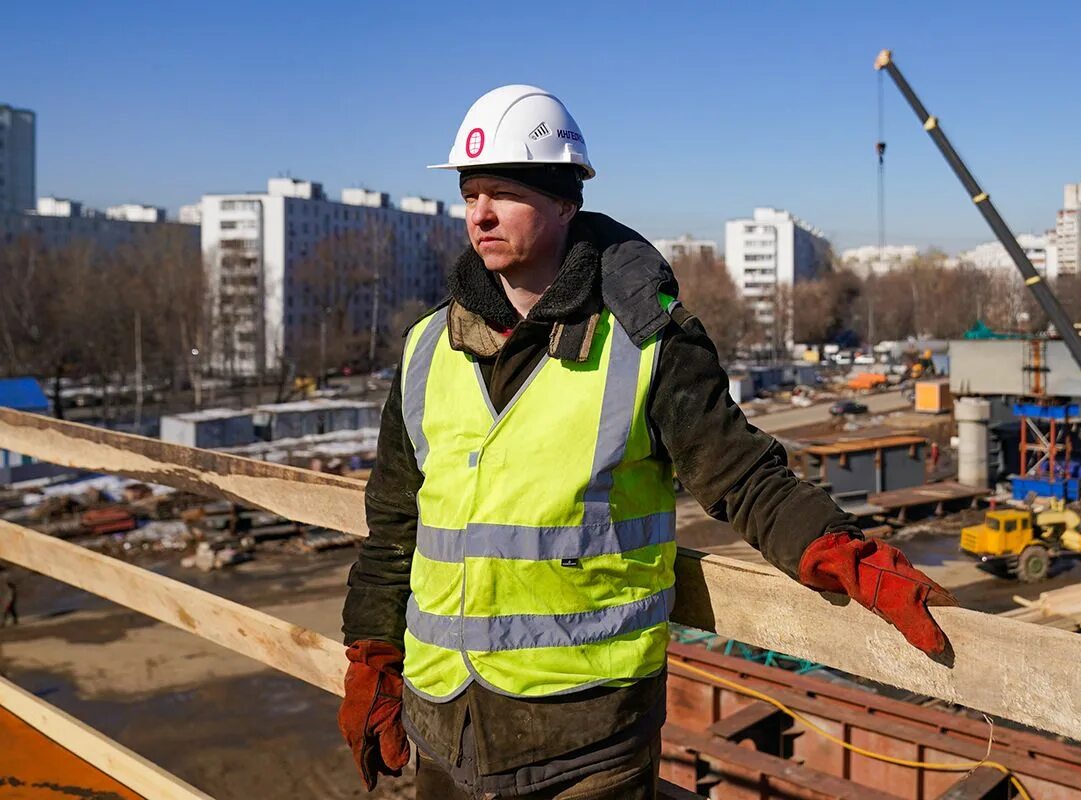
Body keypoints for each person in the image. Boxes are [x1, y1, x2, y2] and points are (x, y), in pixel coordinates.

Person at [338, 85, 957, 799]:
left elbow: (742, 477)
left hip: (585, 739)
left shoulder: (646, 343)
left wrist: (844, 552)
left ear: (565, 201)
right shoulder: (425, 350)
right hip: (443, 726)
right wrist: (374, 658)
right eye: (470, 192)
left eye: (504, 192)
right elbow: (393, 529)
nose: (479, 213)